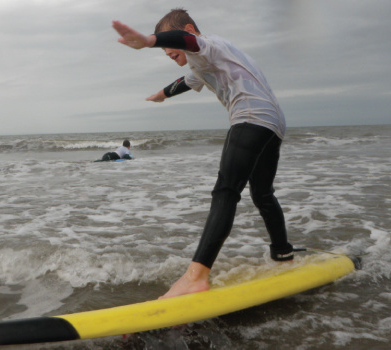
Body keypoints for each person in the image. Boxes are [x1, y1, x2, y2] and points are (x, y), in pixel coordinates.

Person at [112, 8, 294, 299]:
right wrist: (161, 94)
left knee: (225, 191)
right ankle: (283, 253)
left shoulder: (205, 45)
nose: (172, 56)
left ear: (189, 31)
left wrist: (149, 40)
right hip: (273, 123)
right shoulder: (212, 60)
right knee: (262, 194)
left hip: (250, 116)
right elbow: (188, 81)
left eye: (171, 51)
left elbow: (187, 42)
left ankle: (196, 276)